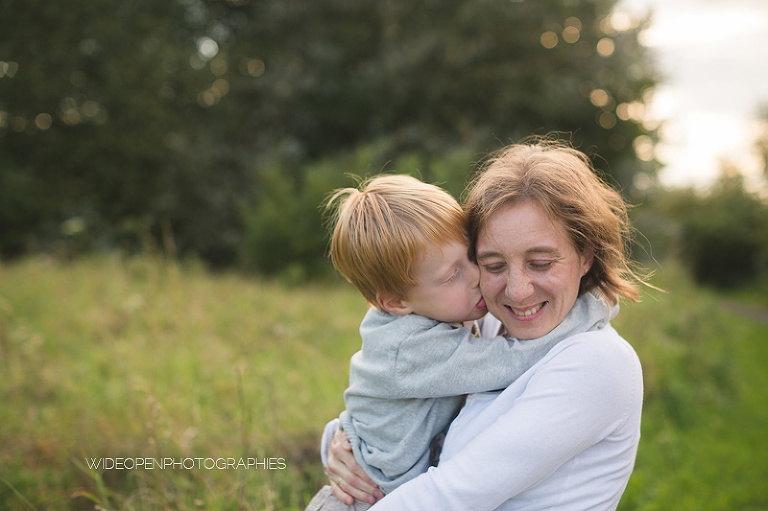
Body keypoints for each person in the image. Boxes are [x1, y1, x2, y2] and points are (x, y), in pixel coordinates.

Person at [324, 139, 647, 510]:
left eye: (540, 262)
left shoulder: (598, 362)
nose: (517, 290)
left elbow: (450, 495)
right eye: (492, 265)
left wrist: (592, 306)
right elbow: (395, 412)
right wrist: (337, 442)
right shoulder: (486, 328)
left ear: (586, 255)